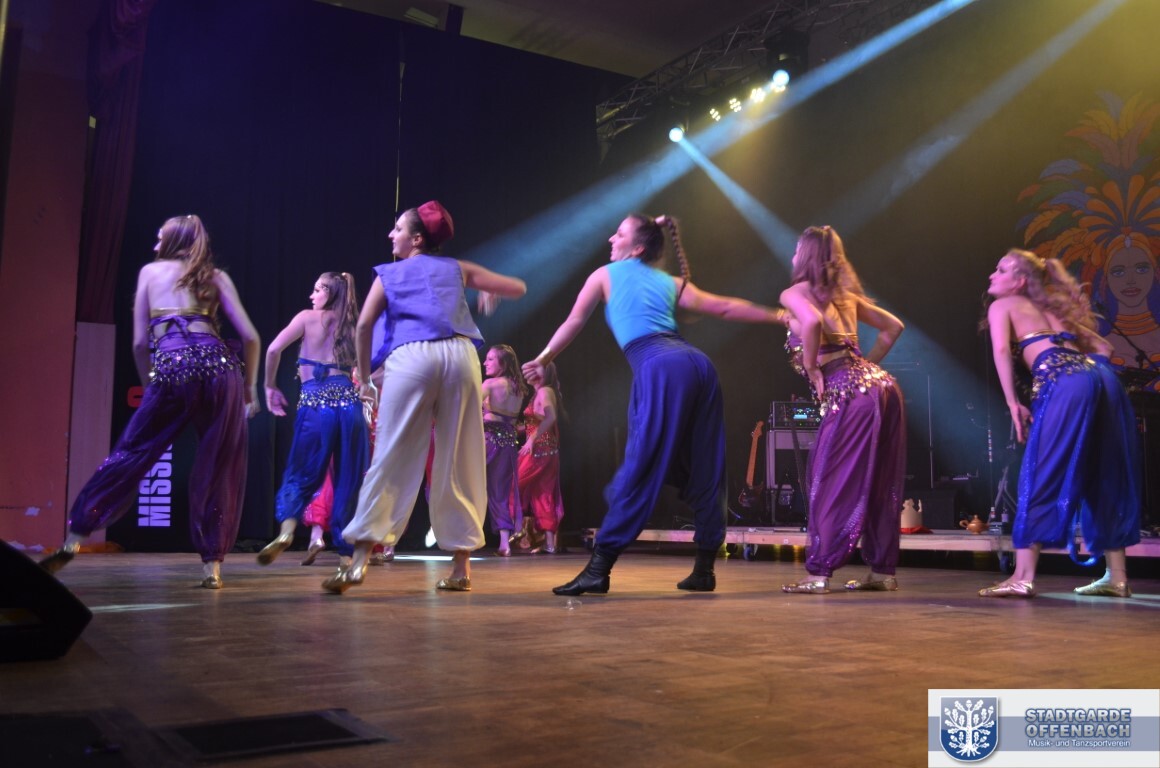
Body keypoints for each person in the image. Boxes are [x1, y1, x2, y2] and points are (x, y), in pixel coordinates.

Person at [521, 213, 783, 596]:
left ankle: (599, 568)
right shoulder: (671, 282)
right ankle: (704, 569)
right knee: (704, 465)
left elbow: (574, 321)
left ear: (637, 248)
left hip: (661, 367)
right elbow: (725, 308)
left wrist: (543, 358)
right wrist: (781, 316)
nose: (611, 238)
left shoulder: (604, 275)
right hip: (699, 366)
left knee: (640, 467)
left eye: (620, 233)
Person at [40, 215, 260, 588]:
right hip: (220, 370)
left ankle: (74, 539)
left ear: (173, 242)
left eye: (160, 238)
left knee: (131, 453)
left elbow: (141, 343)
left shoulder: (150, 272)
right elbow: (251, 337)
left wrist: (151, 387)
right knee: (220, 465)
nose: (155, 245)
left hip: (173, 368)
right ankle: (212, 567)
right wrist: (251, 389)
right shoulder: (216, 277)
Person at [324, 200, 527, 593]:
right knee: (461, 457)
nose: (391, 234)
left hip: (413, 355)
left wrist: (365, 380)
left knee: (392, 454)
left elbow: (364, 326)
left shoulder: (389, 273)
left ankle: (359, 562)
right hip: (461, 356)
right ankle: (461, 569)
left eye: (398, 228)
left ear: (417, 239)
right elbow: (518, 287)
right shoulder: (457, 268)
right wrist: (489, 293)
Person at [979, 249, 1140, 598]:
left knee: (1042, 472)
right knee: (1104, 473)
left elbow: (1002, 351)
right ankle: (1118, 578)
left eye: (1001, 269)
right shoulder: (1052, 310)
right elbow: (1105, 349)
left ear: (1020, 281)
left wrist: (1013, 402)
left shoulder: (1003, 305)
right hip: (1099, 378)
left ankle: (1023, 577)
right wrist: (1082, 373)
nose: (992, 275)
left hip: (1064, 383)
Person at [778, 225, 906, 595]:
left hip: (849, 392)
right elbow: (893, 327)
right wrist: (868, 367)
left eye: (796, 249)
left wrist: (813, 367)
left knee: (830, 480)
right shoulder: (845, 295)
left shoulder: (794, 293)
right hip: (883, 387)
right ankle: (882, 571)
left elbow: (813, 322)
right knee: (880, 481)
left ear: (805, 255)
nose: (792, 255)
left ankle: (819, 573)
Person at [257, 272, 370, 570]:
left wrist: (269, 386)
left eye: (317, 290)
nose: (312, 296)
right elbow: (366, 372)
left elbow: (273, 349)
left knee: (300, 471)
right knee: (348, 480)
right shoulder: (354, 325)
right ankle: (345, 556)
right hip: (349, 406)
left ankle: (287, 532)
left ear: (329, 293)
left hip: (316, 406)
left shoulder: (307, 318)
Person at [482, 344, 527, 556]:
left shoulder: (490, 384)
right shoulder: (518, 389)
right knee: (499, 492)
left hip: (487, 440)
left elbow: (468, 406)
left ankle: (462, 539)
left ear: (504, 363)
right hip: (508, 443)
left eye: (490, 359)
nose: (485, 363)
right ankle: (504, 544)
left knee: (469, 486)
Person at [516, 361, 565, 554]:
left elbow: (551, 417)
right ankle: (549, 544)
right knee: (542, 494)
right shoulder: (541, 392)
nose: (529, 371)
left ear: (545, 373)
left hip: (539, 450)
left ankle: (518, 531)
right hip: (545, 449)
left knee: (512, 485)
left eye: (535, 368)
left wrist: (531, 439)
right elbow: (535, 421)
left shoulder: (544, 391)